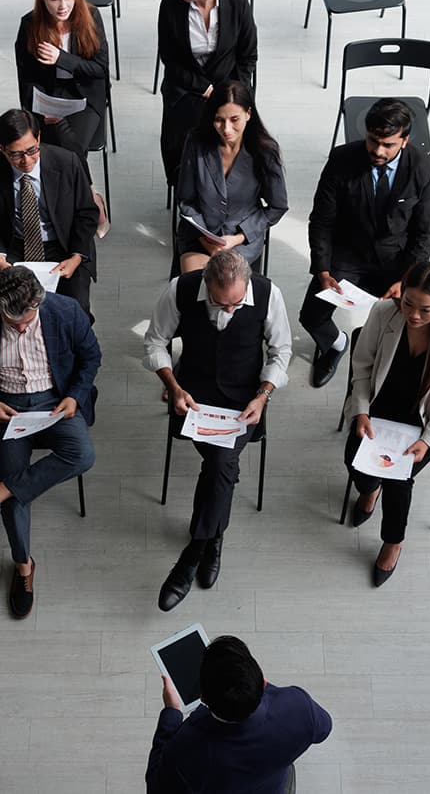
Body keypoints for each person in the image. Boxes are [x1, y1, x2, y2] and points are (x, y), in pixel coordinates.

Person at [144, 250, 291, 612]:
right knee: (222, 466)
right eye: (219, 303)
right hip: (192, 394)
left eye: (236, 304)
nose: (228, 310)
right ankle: (213, 540)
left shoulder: (268, 294)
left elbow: (281, 350)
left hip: (244, 400)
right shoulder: (180, 290)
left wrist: (264, 394)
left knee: (220, 463)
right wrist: (172, 384)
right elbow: (154, 342)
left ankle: (193, 554)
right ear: (207, 283)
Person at [0, 266, 100, 619]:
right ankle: (23, 566)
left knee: (82, 454)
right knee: (18, 494)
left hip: (55, 402)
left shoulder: (66, 311)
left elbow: (91, 357)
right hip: (6, 408)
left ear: (40, 302)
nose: (20, 326)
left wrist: (76, 397)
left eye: (27, 318)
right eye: (11, 319)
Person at [344, 262, 430, 586]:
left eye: (425, 309)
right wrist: (360, 411)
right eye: (408, 304)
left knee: (399, 482)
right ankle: (369, 487)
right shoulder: (383, 312)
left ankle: (393, 542)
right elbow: (361, 367)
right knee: (353, 459)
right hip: (379, 409)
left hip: (423, 422)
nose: (413, 315)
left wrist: (429, 441)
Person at [300, 99, 430, 389]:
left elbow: (425, 233)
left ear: (405, 140)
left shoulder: (424, 168)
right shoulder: (341, 160)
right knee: (311, 316)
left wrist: (406, 279)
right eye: (373, 141)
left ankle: (387, 370)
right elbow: (322, 221)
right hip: (347, 254)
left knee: (411, 321)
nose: (378, 151)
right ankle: (336, 345)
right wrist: (323, 271)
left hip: (397, 262)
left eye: (387, 144)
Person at [147, 635, 332, 794]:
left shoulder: (186, 748)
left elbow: (156, 788)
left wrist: (171, 713)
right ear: (264, 682)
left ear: (203, 697)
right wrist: (255, 689)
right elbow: (324, 729)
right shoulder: (299, 706)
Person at [15, 0, 112, 236]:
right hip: (47, 97)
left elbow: (101, 70)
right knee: (49, 146)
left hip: (85, 97)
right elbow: (26, 78)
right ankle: (89, 198)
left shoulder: (90, 17)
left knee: (69, 148)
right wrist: (38, 107)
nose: (62, 6)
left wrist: (63, 59)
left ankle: (86, 201)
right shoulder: (29, 25)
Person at [0, 109, 99, 318]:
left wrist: (77, 256)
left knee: (76, 309)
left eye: (32, 150)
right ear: (1, 148)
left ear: (39, 137)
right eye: (15, 154)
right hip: (15, 247)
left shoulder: (67, 162)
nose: (26, 161)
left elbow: (86, 213)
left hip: (64, 246)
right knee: (6, 310)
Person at [158, 0, 258, 187]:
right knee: (185, 145)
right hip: (185, 88)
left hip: (228, 86)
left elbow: (247, 56)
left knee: (236, 137)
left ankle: (229, 193)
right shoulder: (170, 5)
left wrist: (233, 94)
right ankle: (188, 192)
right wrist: (204, 88)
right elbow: (170, 59)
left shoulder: (237, 3)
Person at [175, 80, 287, 274]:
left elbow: (277, 206)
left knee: (227, 290)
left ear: (248, 114)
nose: (226, 129)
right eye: (219, 120)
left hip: (241, 240)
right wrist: (206, 239)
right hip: (200, 235)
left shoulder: (265, 151)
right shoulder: (196, 142)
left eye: (234, 119)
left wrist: (238, 237)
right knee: (195, 291)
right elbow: (186, 199)